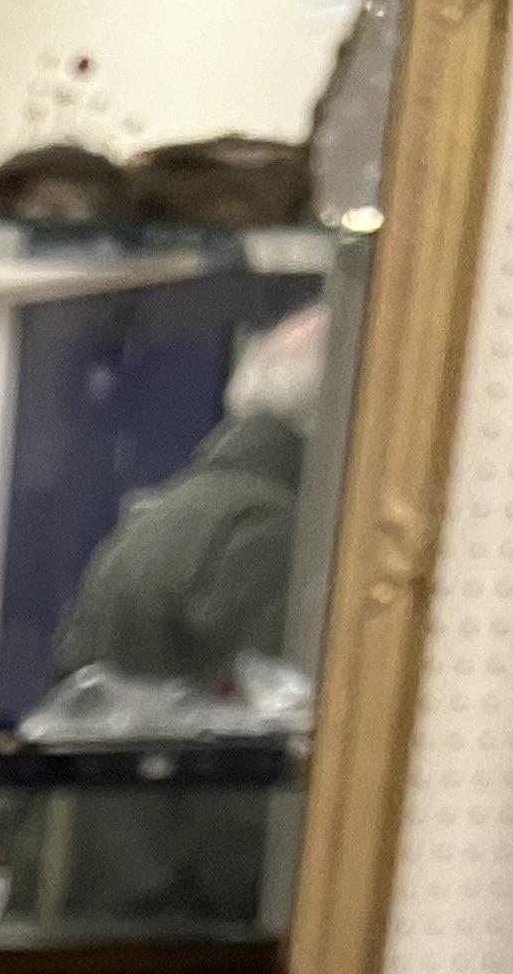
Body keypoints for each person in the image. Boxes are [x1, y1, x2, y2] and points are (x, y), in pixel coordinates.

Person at [22, 304, 325, 927]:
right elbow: (259, 762)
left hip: (104, 892)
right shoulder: (270, 532)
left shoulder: (184, 509)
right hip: (169, 918)